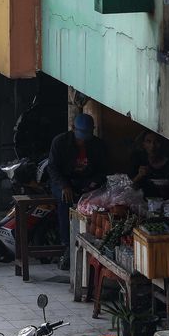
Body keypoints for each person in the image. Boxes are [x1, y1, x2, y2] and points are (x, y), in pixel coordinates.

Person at [47, 113, 108, 269]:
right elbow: (53, 169)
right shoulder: (60, 142)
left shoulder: (97, 145)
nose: (83, 141)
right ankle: (67, 245)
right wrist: (64, 185)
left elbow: (103, 170)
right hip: (64, 181)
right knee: (65, 200)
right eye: (80, 136)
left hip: (86, 181)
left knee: (95, 202)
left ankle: (93, 243)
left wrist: (94, 183)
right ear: (73, 129)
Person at [129, 130, 169, 200]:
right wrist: (139, 176)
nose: (152, 146)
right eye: (148, 141)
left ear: (163, 143)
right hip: (144, 203)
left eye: (157, 141)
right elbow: (129, 187)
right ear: (143, 144)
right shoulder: (139, 159)